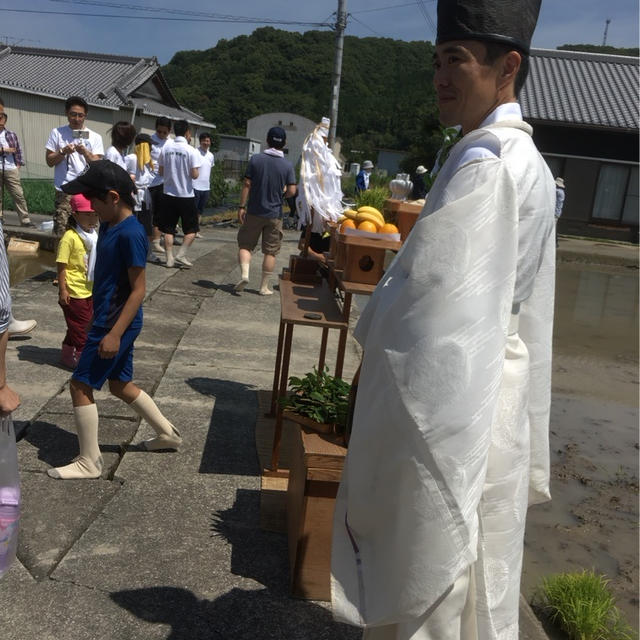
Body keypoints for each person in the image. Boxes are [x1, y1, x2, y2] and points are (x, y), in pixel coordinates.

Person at [331, 1, 556, 639]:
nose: (439, 77)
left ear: (507, 66)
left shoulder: (490, 165)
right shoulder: (524, 161)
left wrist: (374, 349)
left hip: (462, 398)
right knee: (478, 578)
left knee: (440, 576)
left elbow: (439, 324)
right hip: (496, 392)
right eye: (437, 61)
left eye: (455, 60)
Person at [47, 160, 182, 480]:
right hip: (108, 317)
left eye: (93, 200)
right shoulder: (107, 225)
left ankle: (90, 462)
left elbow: (139, 290)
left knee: (80, 385)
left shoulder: (132, 233)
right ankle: (168, 435)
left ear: (113, 197)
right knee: (121, 385)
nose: (89, 207)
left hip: (113, 323)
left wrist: (114, 334)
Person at [235, 126, 296, 295]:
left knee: (245, 246)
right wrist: (282, 192)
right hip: (274, 214)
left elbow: (247, 184)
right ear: (284, 143)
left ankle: (245, 274)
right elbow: (292, 191)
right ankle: (263, 287)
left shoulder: (255, 159)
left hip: (254, 211)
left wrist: (241, 206)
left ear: (267, 140)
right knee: (270, 251)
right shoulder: (287, 165)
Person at [45, 96, 104, 236]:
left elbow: (98, 164)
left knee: (88, 231)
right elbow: (49, 161)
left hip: (87, 190)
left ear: (85, 115)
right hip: (64, 189)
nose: (76, 119)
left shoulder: (95, 137)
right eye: (73, 114)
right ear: (66, 113)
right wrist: (63, 151)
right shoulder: (57, 133)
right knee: (61, 229)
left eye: (80, 115)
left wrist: (85, 152)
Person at [56, 194, 98, 369]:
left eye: (94, 214)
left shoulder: (93, 235)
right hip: (74, 290)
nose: (92, 218)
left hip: (89, 287)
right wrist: (63, 289)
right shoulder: (70, 237)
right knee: (81, 328)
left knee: (76, 325)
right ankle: (84, 363)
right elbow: (61, 265)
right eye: (86, 214)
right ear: (75, 214)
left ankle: (67, 355)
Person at [157, 119, 202, 269]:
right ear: (188, 132)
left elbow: (161, 171)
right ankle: (181, 254)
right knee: (192, 229)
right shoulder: (191, 150)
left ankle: (169, 258)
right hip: (185, 195)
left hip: (168, 193)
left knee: (168, 228)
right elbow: (195, 175)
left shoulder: (167, 148)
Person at [125, 133, 158, 262]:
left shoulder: (147, 161)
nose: (151, 149)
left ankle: (148, 252)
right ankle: (133, 251)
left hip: (145, 195)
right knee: (135, 224)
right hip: (135, 196)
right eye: (149, 146)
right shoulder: (132, 158)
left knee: (147, 225)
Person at [0, 112, 33, 227]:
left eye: (1, 120)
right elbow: (10, 150)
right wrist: (4, 150)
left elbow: (18, 150)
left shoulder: (11, 134)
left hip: (10, 168)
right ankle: (0, 219)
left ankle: (25, 220)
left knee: (18, 194)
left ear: (5, 121)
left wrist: (18, 164)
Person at [148, 117, 172, 256]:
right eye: (159, 131)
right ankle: (149, 241)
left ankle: (156, 241)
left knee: (160, 213)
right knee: (147, 214)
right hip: (149, 181)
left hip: (164, 182)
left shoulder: (171, 143)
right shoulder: (149, 141)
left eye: (165, 132)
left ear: (169, 131)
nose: (162, 134)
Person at [193, 132, 215, 233]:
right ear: (200, 141)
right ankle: (190, 231)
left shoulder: (211, 155)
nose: (206, 143)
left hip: (206, 187)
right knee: (193, 210)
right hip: (195, 186)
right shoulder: (195, 152)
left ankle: (196, 230)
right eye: (204, 141)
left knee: (200, 211)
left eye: (208, 141)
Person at [555, 177, 565, 247]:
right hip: (557, 213)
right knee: (554, 228)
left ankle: (556, 242)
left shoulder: (558, 191)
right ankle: (555, 242)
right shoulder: (562, 192)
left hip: (555, 213)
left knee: (554, 228)